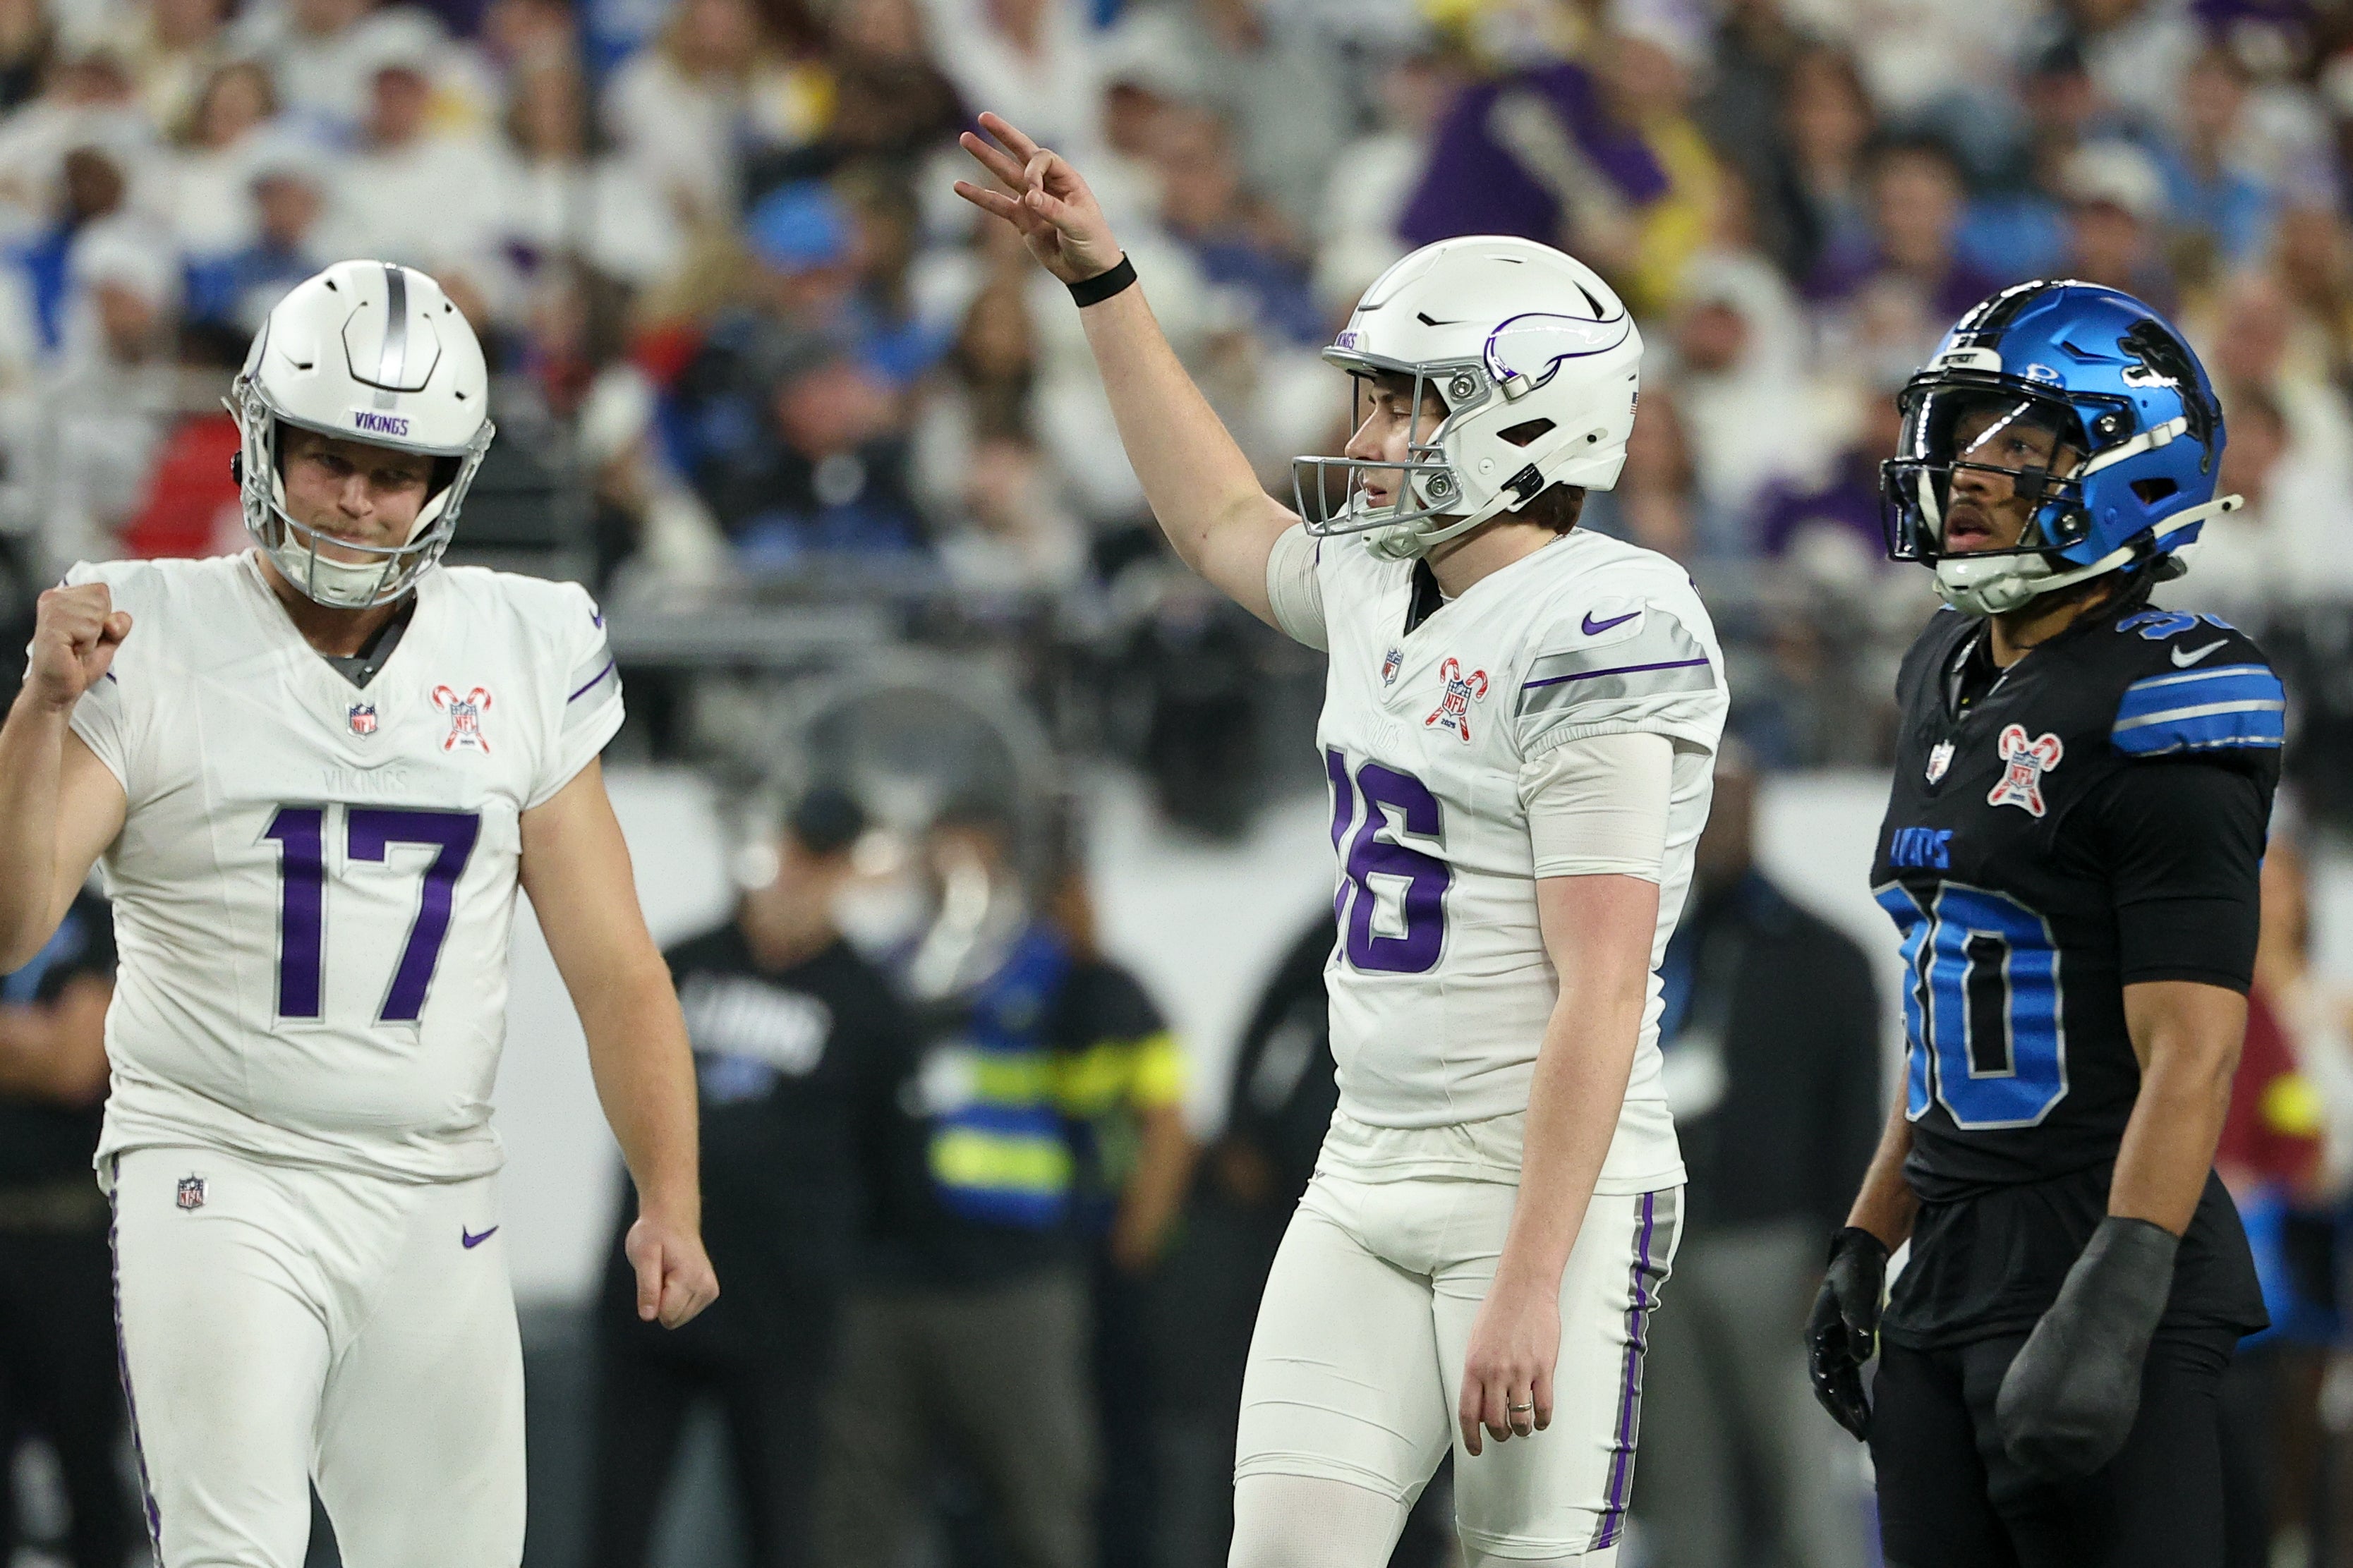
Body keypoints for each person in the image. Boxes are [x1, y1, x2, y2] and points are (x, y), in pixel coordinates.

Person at [956, 112, 1726, 1564]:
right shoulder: (1381, 582)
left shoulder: (1603, 620)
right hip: (1363, 1164)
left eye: (1404, 404)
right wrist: (1103, 284)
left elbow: (1602, 985)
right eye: (1369, 400)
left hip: (1538, 1182)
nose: (1366, 437)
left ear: (1523, 415)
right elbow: (1210, 518)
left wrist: (1528, 1274)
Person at [0, 258, 718, 1568]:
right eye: (328, 457)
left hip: (434, 1183)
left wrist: (670, 1190)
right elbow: (10, 926)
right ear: (262, 437)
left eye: (394, 474)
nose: (355, 499)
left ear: (447, 483)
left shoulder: (523, 639)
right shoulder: (144, 622)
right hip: (217, 1163)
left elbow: (616, 967)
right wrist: (38, 711)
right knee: (234, 1551)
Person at [1808, 279, 2278, 1567]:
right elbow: (1947, 993)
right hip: (1951, 1259)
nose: (1969, 469)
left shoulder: (2171, 694)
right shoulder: (1942, 672)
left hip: (2097, 1236)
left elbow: (2195, 1049)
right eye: (1962, 434)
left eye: (2016, 440)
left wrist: (2118, 1294)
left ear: (2124, 460)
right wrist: (1870, 1231)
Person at [587, 786, 916, 1568]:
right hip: (649, 1295)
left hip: (781, 1313)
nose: (799, 876)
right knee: (616, 1524)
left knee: (781, 1527)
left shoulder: (867, 1004)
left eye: (821, 861)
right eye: (793, 853)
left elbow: (892, 1169)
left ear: (845, 876)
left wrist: (825, 1257)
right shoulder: (686, 963)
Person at [1632, 743, 1880, 1568]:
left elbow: (1856, 1117)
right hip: (1664, 1254)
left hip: (1778, 1257)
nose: (1713, 825)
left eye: (1729, 804)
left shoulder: (1822, 958)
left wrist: (1840, 1258)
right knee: (1683, 1490)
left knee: (1803, 1480)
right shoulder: (1649, 952)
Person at [0, 890, 135, 1568]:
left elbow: (77, 1065)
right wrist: (35, 1035)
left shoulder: (94, 920)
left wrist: (47, 1050)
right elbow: (54, 1050)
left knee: (91, 1464)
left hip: (73, 1234)